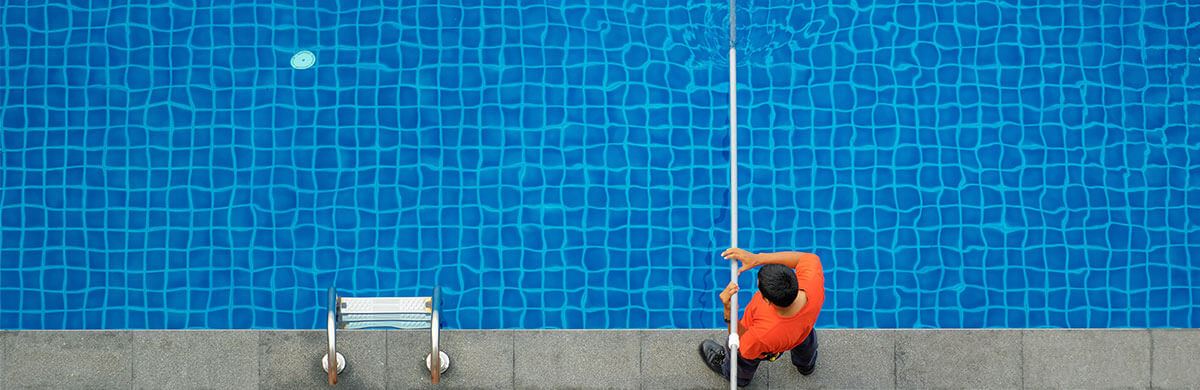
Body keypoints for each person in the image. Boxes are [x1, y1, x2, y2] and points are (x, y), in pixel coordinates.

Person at [699, 248, 826, 387]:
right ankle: (806, 366)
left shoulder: (763, 334)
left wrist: (729, 313)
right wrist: (758, 259)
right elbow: (803, 258)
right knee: (805, 345)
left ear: (767, 300)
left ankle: (739, 378)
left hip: (768, 345)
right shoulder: (812, 281)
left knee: (741, 362)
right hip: (803, 331)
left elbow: (743, 346)